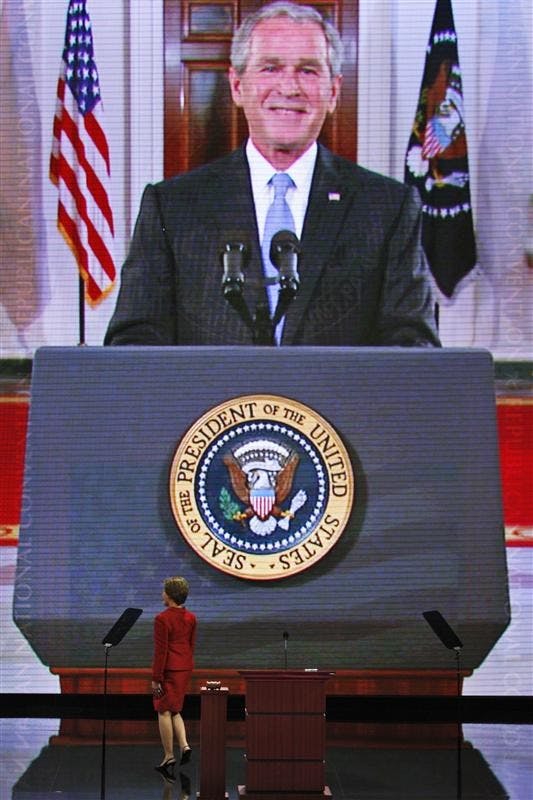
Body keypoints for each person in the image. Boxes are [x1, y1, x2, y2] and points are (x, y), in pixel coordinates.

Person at [104, 1, 440, 348]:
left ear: (333, 91)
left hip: (338, 403)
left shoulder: (386, 208)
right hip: (210, 403)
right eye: (270, 68)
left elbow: (412, 345)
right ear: (237, 86)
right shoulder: (172, 208)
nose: (289, 88)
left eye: (308, 70)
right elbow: (134, 341)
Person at [152, 576, 197, 780]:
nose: (162, 594)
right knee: (175, 710)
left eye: (163, 591)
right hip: (184, 667)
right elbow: (190, 645)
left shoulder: (162, 619)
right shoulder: (191, 618)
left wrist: (156, 677)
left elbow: (161, 652)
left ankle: (169, 755)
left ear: (169, 596)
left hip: (169, 670)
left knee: (163, 710)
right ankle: (184, 745)